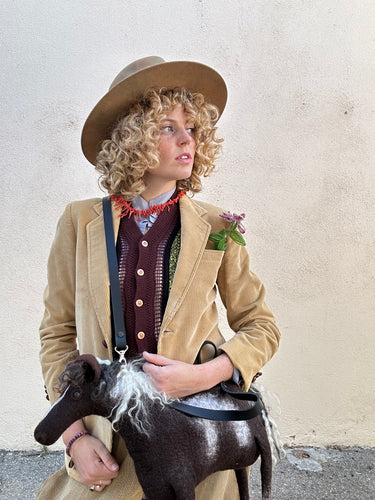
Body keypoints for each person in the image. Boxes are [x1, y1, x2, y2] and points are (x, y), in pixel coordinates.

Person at [37, 56, 280, 500]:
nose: (188, 139)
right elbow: (58, 335)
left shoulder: (219, 226)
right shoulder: (78, 222)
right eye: (168, 127)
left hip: (195, 441)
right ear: (133, 137)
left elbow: (261, 327)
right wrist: (75, 439)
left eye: (193, 128)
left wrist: (205, 375)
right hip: (106, 445)